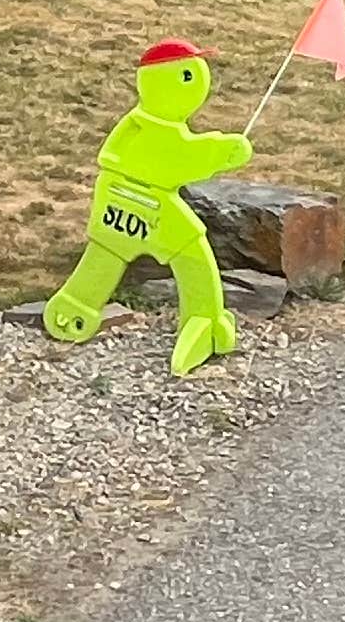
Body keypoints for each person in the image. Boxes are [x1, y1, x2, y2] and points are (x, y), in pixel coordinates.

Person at [39, 39, 254, 375]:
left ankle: (77, 304)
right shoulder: (151, 128)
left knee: (109, 253)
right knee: (191, 254)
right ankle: (203, 319)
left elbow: (175, 154)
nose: (198, 84)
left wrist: (216, 150)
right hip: (144, 203)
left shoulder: (137, 123)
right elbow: (179, 158)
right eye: (187, 76)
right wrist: (223, 150)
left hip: (122, 198)